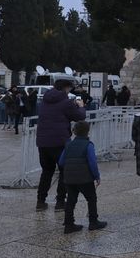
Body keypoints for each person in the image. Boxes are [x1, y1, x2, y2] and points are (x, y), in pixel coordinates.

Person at [36, 79, 86, 211]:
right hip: (60, 142)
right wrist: (80, 106)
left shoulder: (44, 101)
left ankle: (40, 202)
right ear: (66, 88)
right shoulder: (66, 102)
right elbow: (79, 117)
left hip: (42, 142)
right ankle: (60, 202)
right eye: (70, 88)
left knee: (46, 171)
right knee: (64, 171)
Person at [58, 121, 108, 233]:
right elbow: (92, 162)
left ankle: (69, 224)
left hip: (69, 179)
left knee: (71, 200)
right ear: (87, 132)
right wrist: (97, 176)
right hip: (85, 179)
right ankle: (93, 222)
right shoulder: (88, 145)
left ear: (74, 132)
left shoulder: (68, 144)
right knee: (91, 199)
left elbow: (61, 162)